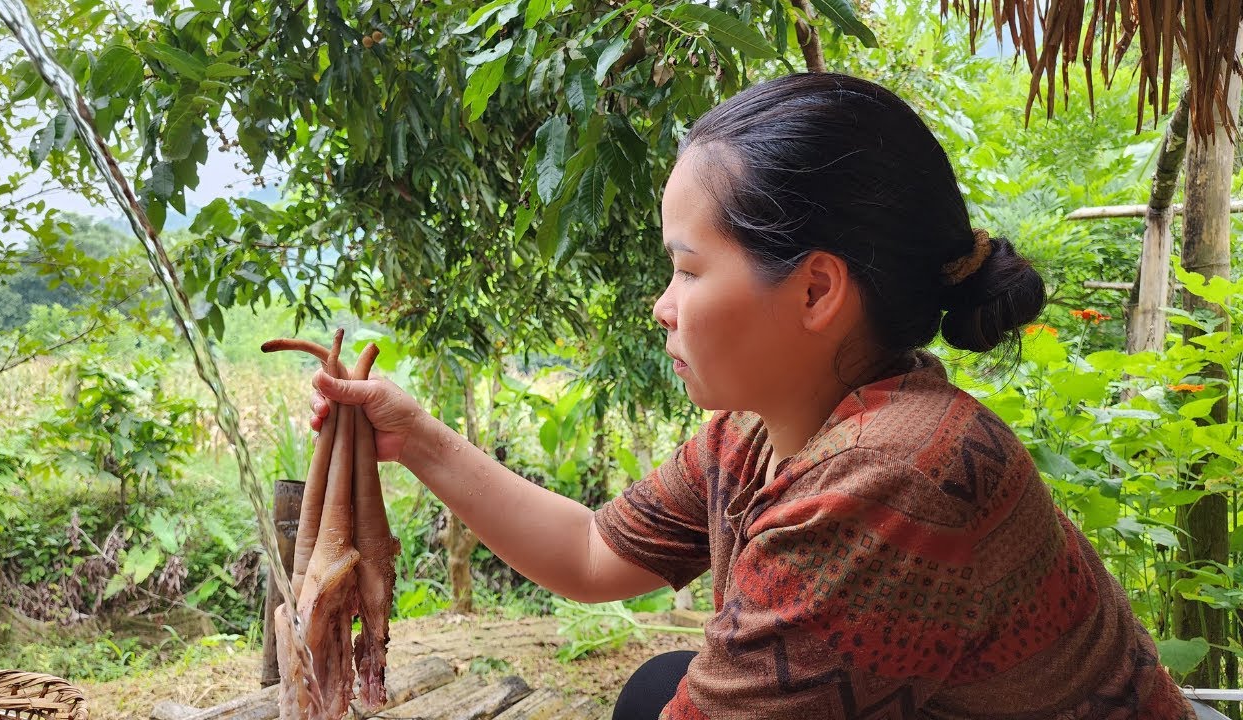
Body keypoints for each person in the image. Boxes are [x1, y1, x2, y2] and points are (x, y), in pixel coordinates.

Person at [308, 73, 1194, 719]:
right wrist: (416, 437)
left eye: (687, 270)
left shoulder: (894, 477)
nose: (662, 307)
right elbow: (588, 553)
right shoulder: (763, 429)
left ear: (816, 292)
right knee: (658, 685)